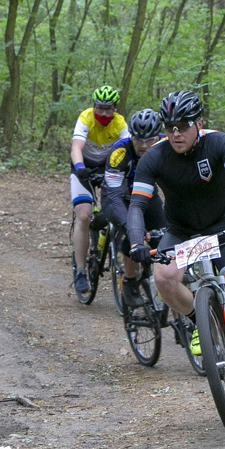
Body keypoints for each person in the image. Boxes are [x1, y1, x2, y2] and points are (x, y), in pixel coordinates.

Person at [126, 91, 225, 396]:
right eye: (169, 127)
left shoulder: (219, 142)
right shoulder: (155, 156)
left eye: (183, 126)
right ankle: (199, 321)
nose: (175, 133)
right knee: (163, 278)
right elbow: (137, 205)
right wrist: (135, 242)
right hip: (181, 230)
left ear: (199, 123)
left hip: (222, 225)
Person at [100, 108, 167, 307]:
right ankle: (129, 281)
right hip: (118, 199)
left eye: (149, 140)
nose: (144, 145)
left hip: (147, 196)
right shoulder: (119, 153)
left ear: (158, 137)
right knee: (133, 236)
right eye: (138, 140)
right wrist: (132, 228)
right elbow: (114, 197)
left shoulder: (166, 146)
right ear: (131, 136)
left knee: (164, 238)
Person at [70, 85, 130, 294]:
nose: (103, 113)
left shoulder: (120, 123)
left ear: (115, 108)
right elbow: (76, 147)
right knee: (84, 216)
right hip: (83, 167)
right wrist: (80, 167)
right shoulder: (86, 118)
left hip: (108, 168)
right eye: (99, 108)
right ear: (94, 106)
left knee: (118, 208)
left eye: (108, 109)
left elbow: (129, 148)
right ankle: (80, 272)